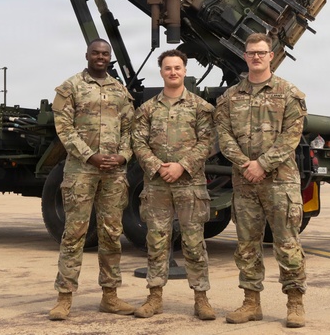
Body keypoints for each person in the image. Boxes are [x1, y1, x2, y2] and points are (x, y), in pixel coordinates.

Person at [214, 32, 308, 328]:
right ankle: (251, 303)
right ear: (245, 56)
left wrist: (263, 164)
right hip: (245, 183)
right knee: (246, 245)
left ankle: (295, 303)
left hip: (280, 182)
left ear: (271, 56)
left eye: (261, 52)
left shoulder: (289, 93)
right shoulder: (230, 97)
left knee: (287, 243)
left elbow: (291, 137)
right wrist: (245, 164)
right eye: (251, 52)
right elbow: (224, 136)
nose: (256, 56)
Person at [48, 38, 137, 321]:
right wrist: (89, 156)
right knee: (74, 234)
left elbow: (129, 129)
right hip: (81, 171)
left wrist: (123, 156)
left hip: (113, 173)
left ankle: (110, 296)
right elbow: (64, 128)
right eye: (96, 53)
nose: (100, 57)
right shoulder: (70, 87)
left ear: (109, 58)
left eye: (104, 54)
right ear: (87, 55)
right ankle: (64, 298)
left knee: (111, 234)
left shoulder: (120, 91)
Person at [130, 49, 216, 320]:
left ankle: (201, 299)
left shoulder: (201, 107)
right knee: (156, 240)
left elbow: (208, 142)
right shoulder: (147, 109)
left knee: (193, 242)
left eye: (178, 67)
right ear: (161, 72)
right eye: (168, 68)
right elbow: (138, 142)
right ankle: (154, 297)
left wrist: (182, 165)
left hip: (190, 183)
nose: (173, 72)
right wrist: (157, 166)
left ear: (185, 70)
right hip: (156, 185)